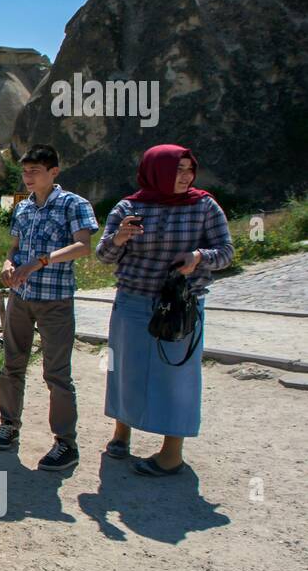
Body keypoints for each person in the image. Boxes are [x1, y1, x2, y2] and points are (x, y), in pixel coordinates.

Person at [96, 145, 232, 476]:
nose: (185, 176)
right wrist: (118, 239)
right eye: (177, 170)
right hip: (133, 300)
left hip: (181, 304)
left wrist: (199, 257)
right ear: (157, 171)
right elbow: (103, 255)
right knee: (125, 368)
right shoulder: (129, 207)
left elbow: (226, 253)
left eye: (189, 169)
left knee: (177, 375)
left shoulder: (203, 206)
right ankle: (121, 432)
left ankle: (171, 453)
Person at [0, 145, 98, 471]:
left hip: (55, 301)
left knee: (56, 373)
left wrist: (42, 262)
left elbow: (83, 246)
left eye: (34, 172)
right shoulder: (23, 209)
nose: (28, 178)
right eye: (25, 172)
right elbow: (14, 247)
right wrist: (8, 264)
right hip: (21, 298)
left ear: (53, 172)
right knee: (12, 364)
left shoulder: (73, 204)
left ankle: (65, 442)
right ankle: (9, 423)